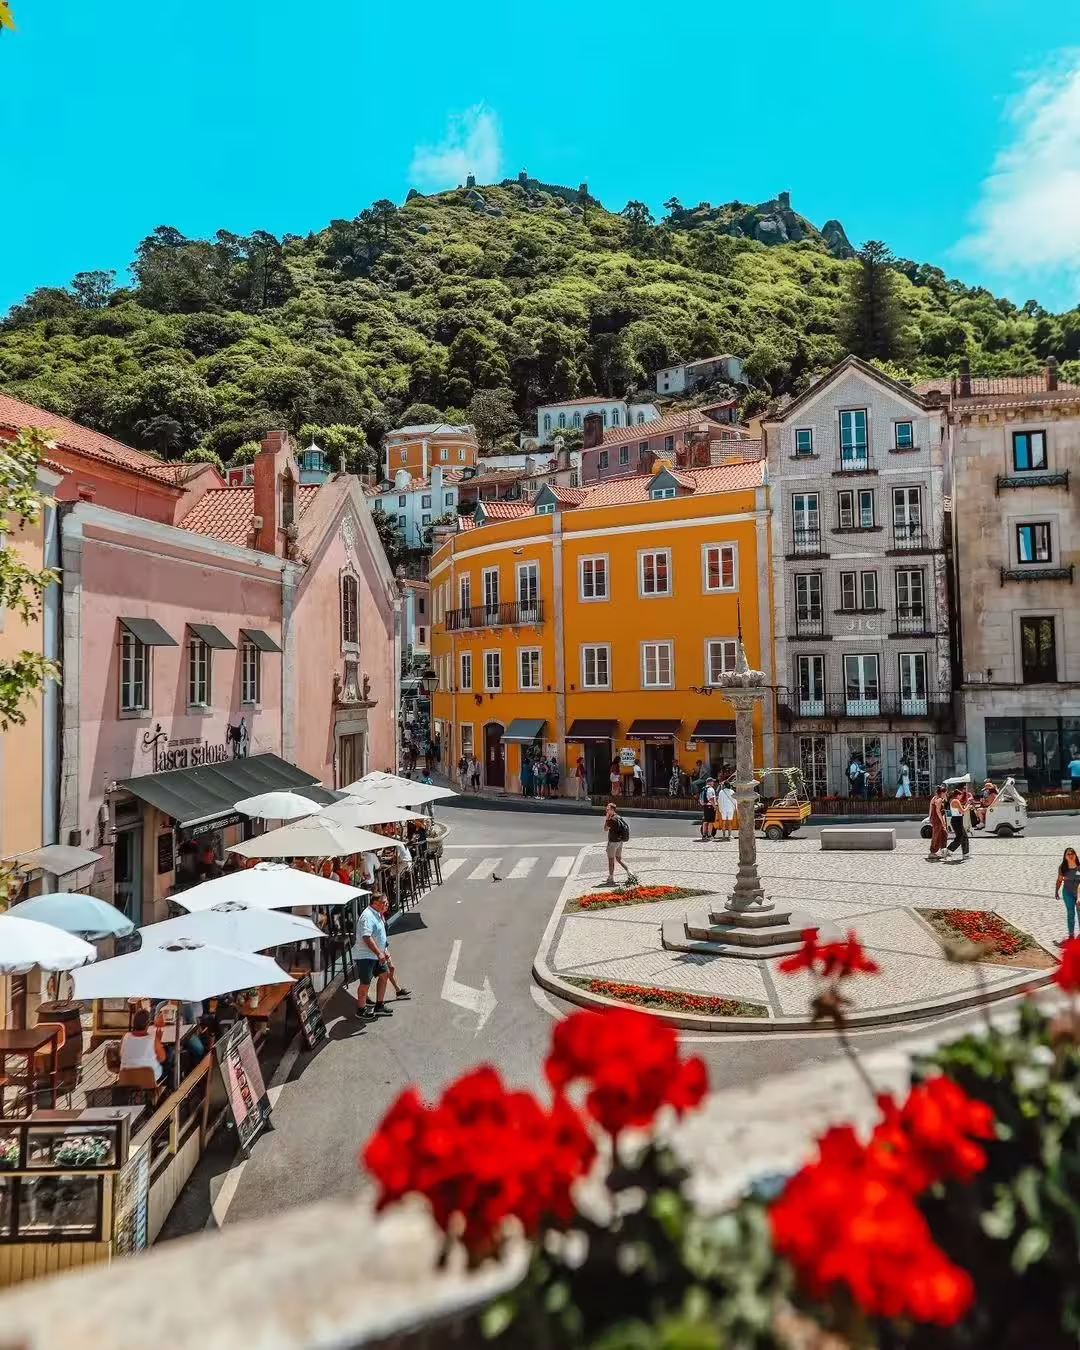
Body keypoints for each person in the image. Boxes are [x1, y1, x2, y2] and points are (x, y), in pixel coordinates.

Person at [355, 895, 396, 1020]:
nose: (387, 904)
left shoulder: (377, 914)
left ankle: (379, 1005)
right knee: (365, 983)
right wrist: (379, 953)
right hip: (366, 956)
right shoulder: (367, 917)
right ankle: (361, 1010)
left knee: (384, 976)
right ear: (374, 903)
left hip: (377, 955)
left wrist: (384, 950)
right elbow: (367, 937)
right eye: (384, 902)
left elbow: (379, 934)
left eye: (387, 902)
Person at [119, 1010, 165, 1083]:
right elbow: (162, 1058)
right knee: (167, 1066)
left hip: (127, 1078)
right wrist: (159, 1041)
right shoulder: (153, 1038)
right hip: (149, 1079)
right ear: (148, 1024)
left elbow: (121, 1055)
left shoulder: (125, 1037)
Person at [603, 801, 633, 886]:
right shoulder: (619, 817)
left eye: (608, 809)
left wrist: (607, 818)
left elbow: (605, 829)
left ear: (612, 810)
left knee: (611, 860)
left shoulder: (611, 819)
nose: (606, 810)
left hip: (613, 842)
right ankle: (629, 871)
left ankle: (611, 877)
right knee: (619, 859)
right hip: (620, 842)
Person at [1055, 847, 1080, 946]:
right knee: (1070, 913)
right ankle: (1071, 935)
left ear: (1075, 855)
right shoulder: (1063, 867)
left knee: (1079, 913)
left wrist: (1078, 897)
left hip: (1078, 892)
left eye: (1072, 853)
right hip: (1067, 893)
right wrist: (1056, 891)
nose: (1070, 856)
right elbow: (1059, 880)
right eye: (1068, 854)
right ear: (1065, 856)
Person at [944, 786, 970, 862]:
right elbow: (963, 811)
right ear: (958, 795)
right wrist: (968, 806)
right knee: (960, 838)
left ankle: (966, 854)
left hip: (957, 820)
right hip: (957, 820)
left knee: (964, 837)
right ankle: (948, 850)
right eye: (961, 795)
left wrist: (965, 806)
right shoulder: (955, 801)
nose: (961, 796)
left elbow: (959, 810)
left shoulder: (953, 800)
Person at [927, 784, 949, 861]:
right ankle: (932, 852)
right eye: (945, 793)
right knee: (936, 835)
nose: (946, 794)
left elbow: (930, 808)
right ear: (942, 793)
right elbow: (938, 812)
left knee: (944, 833)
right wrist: (943, 822)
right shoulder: (939, 800)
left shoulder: (935, 798)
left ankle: (943, 850)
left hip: (935, 819)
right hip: (937, 820)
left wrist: (930, 817)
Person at [699, 776, 717, 841]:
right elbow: (711, 799)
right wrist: (715, 807)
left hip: (705, 806)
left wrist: (703, 804)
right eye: (713, 782)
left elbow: (700, 799)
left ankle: (704, 835)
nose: (713, 783)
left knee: (705, 821)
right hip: (710, 806)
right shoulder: (711, 789)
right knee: (710, 822)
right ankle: (709, 835)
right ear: (710, 782)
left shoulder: (703, 789)